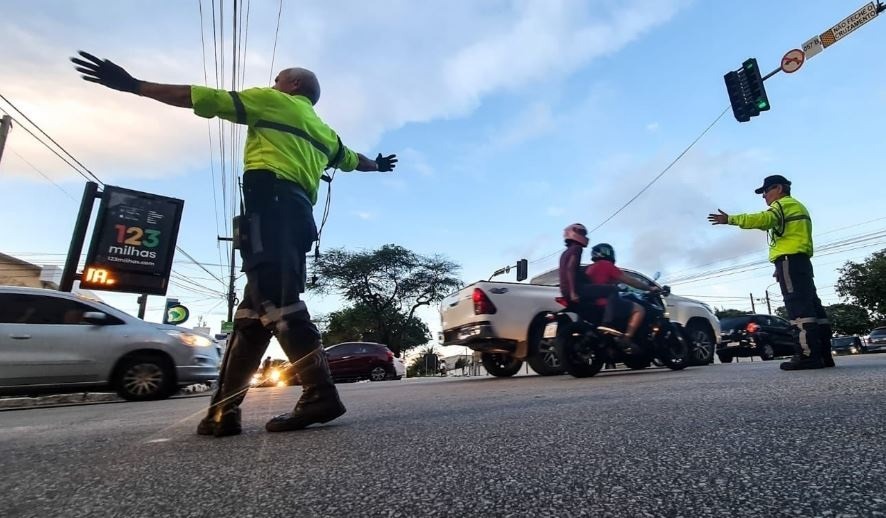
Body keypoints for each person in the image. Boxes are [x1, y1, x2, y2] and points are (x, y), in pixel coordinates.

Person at [71, 51, 398, 436]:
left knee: (279, 305)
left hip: (271, 208)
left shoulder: (273, 101)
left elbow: (202, 97)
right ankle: (223, 413)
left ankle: (320, 393)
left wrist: (134, 85)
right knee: (250, 318)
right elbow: (351, 159)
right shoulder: (324, 132)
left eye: (277, 79)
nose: (272, 83)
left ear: (292, 86)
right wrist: (376, 164)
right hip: (296, 218)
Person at [707, 174, 833, 370]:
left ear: (779, 189)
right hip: (799, 261)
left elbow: (765, 219)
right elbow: (791, 238)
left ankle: (808, 356)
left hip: (790, 261)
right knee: (813, 309)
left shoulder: (782, 205)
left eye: (766, 191)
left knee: (798, 309)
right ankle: (824, 355)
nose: (764, 196)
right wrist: (779, 267)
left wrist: (730, 219)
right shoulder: (797, 206)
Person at [584, 243, 658, 354]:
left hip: (593, 305)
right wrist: (649, 288)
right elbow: (630, 281)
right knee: (639, 309)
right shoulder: (607, 265)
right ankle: (627, 337)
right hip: (608, 303)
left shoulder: (589, 269)